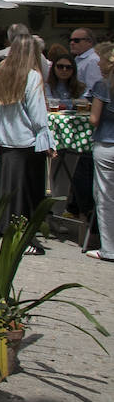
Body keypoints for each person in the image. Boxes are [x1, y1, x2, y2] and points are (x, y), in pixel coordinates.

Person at [0, 35, 52, 253]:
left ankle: (7, 231)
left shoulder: (2, 72)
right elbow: (37, 114)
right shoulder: (32, 76)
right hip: (26, 141)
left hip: (4, 141)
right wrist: (46, 140)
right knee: (27, 194)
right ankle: (23, 239)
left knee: (8, 191)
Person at [85, 45, 114, 262]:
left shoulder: (103, 86)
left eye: (101, 60)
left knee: (105, 198)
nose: (98, 63)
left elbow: (94, 119)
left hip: (106, 143)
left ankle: (109, 249)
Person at [70, 27, 101, 92]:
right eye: (71, 40)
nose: (72, 43)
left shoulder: (93, 61)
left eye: (76, 40)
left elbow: (92, 89)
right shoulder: (78, 59)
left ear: (89, 42)